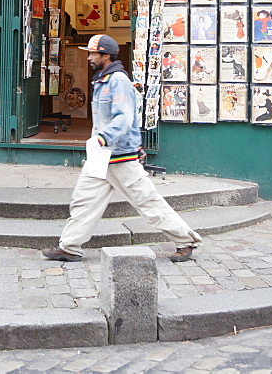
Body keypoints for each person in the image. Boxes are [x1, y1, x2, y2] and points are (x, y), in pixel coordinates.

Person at [42, 34, 202, 264]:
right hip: (102, 157)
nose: (89, 57)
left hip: (120, 156)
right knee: (84, 201)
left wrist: (102, 139)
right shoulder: (102, 79)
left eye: (93, 53)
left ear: (106, 55)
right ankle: (70, 247)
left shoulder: (117, 81)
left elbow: (124, 118)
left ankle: (185, 240)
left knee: (147, 201)